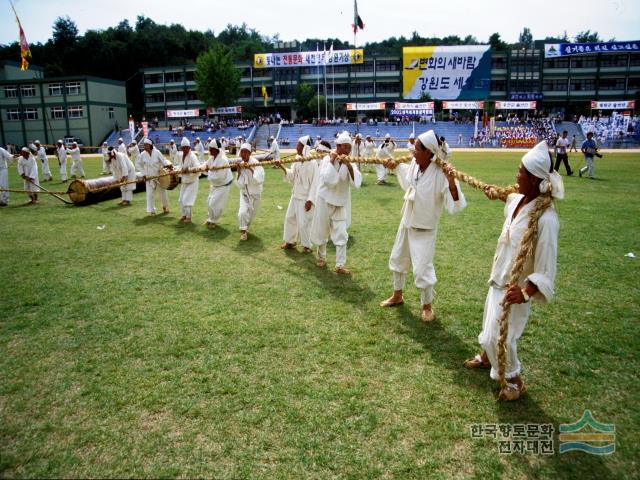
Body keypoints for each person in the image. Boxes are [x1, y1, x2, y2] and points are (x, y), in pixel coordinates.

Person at [464, 140, 563, 401]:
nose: (516, 174)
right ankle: (487, 358)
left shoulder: (547, 219)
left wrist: (526, 292)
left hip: (516, 289)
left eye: (521, 171)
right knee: (488, 334)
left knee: (502, 338)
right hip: (498, 277)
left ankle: (515, 380)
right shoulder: (517, 199)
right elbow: (506, 198)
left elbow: (546, 266)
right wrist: (492, 191)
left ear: (534, 179)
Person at [380, 130, 466, 323]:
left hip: (425, 228)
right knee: (398, 258)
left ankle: (427, 307)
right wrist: (394, 166)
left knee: (422, 270)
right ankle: (397, 295)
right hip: (407, 221)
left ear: (428, 152)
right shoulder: (415, 164)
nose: (412, 152)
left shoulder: (442, 173)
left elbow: (455, 202)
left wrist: (452, 181)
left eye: (417, 149)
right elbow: (409, 180)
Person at [310, 131, 362, 274]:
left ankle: (340, 265)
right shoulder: (327, 159)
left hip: (340, 202)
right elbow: (328, 180)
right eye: (345, 147)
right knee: (322, 230)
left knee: (341, 233)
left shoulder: (349, 161)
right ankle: (321, 257)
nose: (347, 150)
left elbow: (356, 182)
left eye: (349, 148)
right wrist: (333, 161)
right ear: (338, 146)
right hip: (325, 199)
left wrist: (349, 166)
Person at [276, 135, 318, 252]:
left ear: (305, 147)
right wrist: (282, 167)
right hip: (295, 195)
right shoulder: (297, 159)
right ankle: (290, 241)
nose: (297, 147)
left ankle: (307, 245)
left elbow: (315, 183)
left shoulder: (313, 163)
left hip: (305, 198)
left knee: (304, 223)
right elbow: (293, 176)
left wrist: (310, 200)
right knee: (290, 218)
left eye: (299, 145)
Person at [236, 142, 265, 241]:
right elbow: (240, 184)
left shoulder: (256, 163)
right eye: (242, 152)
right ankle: (243, 232)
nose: (243, 154)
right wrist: (239, 172)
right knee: (242, 213)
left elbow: (260, 179)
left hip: (256, 194)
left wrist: (250, 168)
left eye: (245, 152)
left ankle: (246, 227)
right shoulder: (241, 165)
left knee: (251, 215)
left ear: (249, 153)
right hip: (245, 194)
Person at [204, 138, 233, 229]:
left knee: (215, 203)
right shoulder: (212, 158)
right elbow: (205, 165)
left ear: (216, 149)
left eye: (210, 149)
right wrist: (195, 169)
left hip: (223, 184)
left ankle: (214, 221)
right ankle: (210, 218)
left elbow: (220, 176)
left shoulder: (223, 160)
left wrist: (208, 172)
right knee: (209, 201)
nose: (209, 151)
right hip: (215, 184)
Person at [140, 138, 172, 215]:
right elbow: (139, 165)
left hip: (159, 176)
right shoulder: (142, 154)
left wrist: (168, 166)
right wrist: (143, 174)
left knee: (162, 193)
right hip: (149, 178)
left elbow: (163, 161)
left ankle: (165, 207)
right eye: (144, 145)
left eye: (146, 145)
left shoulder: (157, 152)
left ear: (150, 145)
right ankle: (152, 210)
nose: (144, 146)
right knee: (150, 194)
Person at [176, 137, 201, 223]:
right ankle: (184, 215)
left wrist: (189, 170)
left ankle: (189, 217)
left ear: (189, 147)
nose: (184, 150)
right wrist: (177, 170)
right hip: (185, 181)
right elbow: (180, 167)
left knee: (187, 199)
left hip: (192, 181)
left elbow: (198, 168)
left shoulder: (193, 156)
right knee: (181, 199)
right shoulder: (181, 156)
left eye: (186, 148)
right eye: (183, 148)